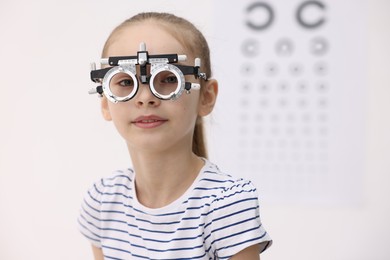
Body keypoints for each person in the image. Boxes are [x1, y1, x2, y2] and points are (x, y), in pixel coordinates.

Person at [78, 12, 272, 259]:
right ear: (105, 102)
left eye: (169, 78)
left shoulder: (226, 204)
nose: (145, 97)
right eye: (125, 82)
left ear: (206, 96)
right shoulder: (103, 200)